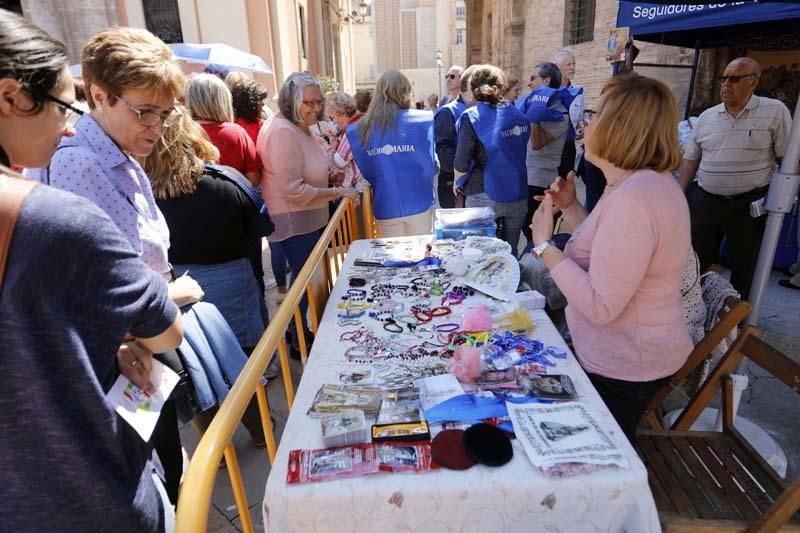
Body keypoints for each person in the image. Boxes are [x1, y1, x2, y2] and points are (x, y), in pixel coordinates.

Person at [0, 10, 183, 531]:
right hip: (83, 464)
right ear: (11, 97)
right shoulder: (68, 182)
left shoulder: (112, 156)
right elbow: (160, 321)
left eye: (164, 114)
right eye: (64, 104)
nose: (68, 123)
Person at [43, 26, 201, 505]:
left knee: (168, 465)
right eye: (144, 111)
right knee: (155, 474)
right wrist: (174, 295)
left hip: (144, 341)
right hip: (126, 352)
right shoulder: (79, 164)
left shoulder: (121, 153)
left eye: (165, 113)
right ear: (99, 96)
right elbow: (93, 286)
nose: (157, 125)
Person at [531, 74, 692, 442]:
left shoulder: (637, 197)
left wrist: (544, 246)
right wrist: (571, 208)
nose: (586, 123)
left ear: (620, 128)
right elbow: (609, 251)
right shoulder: (634, 184)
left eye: (595, 115)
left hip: (627, 368)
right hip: (627, 357)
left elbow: (602, 305)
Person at [141, 110, 273, 439]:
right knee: (243, 362)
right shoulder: (225, 181)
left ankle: (216, 447)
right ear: (194, 137)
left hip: (176, 287)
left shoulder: (142, 194)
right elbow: (260, 226)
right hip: (232, 281)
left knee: (198, 364)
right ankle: (261, 433)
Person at [258, 72, 357, 349]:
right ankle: (299, 340)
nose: (315, 108)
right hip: (295, 222)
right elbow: (293, 190)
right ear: (291, 102)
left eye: (319, 102)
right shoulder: (282, 131)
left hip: (306, 220)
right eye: (308, 103)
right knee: (303, 287)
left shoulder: (298, 126)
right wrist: (337, 192)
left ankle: (298, 332)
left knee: (305, 287)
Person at [679, 57, 791, 299]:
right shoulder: (707, 117)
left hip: (748, 203)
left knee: (745, 264)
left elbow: (788, 158)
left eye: (734, 78)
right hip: (707, 200)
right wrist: (679, 193)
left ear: (753, 82)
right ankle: (694, 311)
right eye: (724, 78)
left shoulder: (774, 112)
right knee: (696, 261)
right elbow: (691, 158)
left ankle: (736, 322)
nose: (726, 84)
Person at [348, 70, 437, 238]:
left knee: (395, 259)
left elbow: (367, 170)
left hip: (386, 202)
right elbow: (431, 165)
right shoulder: (422, 120)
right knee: (421, 256)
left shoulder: (360, 129)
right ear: (407, 92)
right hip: (419, 199)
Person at [454, 64, 529, 257]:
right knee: (510, 252)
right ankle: (511, 284)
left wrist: (456, 183)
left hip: (483, 192)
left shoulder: (471, 117)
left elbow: (461, 162)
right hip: (517, 192)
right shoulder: (518, 115)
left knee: (480, 254)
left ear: (472, 88)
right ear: (502, 86)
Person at [518, 62, 569, 244]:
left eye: (533, 78)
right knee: (527, 229)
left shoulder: (561, 115)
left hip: (540, 181)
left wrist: (535, 117)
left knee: (537, 233)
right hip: (527, 177)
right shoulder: (530, 105)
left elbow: (537, 143)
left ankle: (543, 268)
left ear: (546, 81)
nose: (529, 84)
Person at [184, 73, 262, 186]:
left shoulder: (181, 132)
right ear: (223, 100)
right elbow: (254, 180)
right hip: (232, 201)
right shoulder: (236, 133)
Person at [434, 64, 477, 208]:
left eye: (452, 76)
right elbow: (443, 152)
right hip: (454, 184)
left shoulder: (478, 109)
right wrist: (462, 173)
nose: (448, 79)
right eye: (447, 76)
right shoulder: (447, 112)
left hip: (474, 185)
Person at [552, 49, 586, 178]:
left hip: (568, 147)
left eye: (574, 64)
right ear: (558, 68)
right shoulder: (548, 91)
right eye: (568, 65)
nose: (573, 68)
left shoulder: (578, 92)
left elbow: (579, 118)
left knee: (566, 182)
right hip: (550, 145)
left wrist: (580, 130)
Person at [325, 91, 363, 190]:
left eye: (333, 117)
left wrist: (325, 146)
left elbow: (338, 164)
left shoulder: (352, 131)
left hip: (357, 190)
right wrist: (334, 141)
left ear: (342, 113)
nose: (334, 121)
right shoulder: (361, 122)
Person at [231, 79, 268, 146]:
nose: (263, 104)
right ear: (251, 103)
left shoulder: (231, 124)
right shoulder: (262, 126)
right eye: (260, 100)